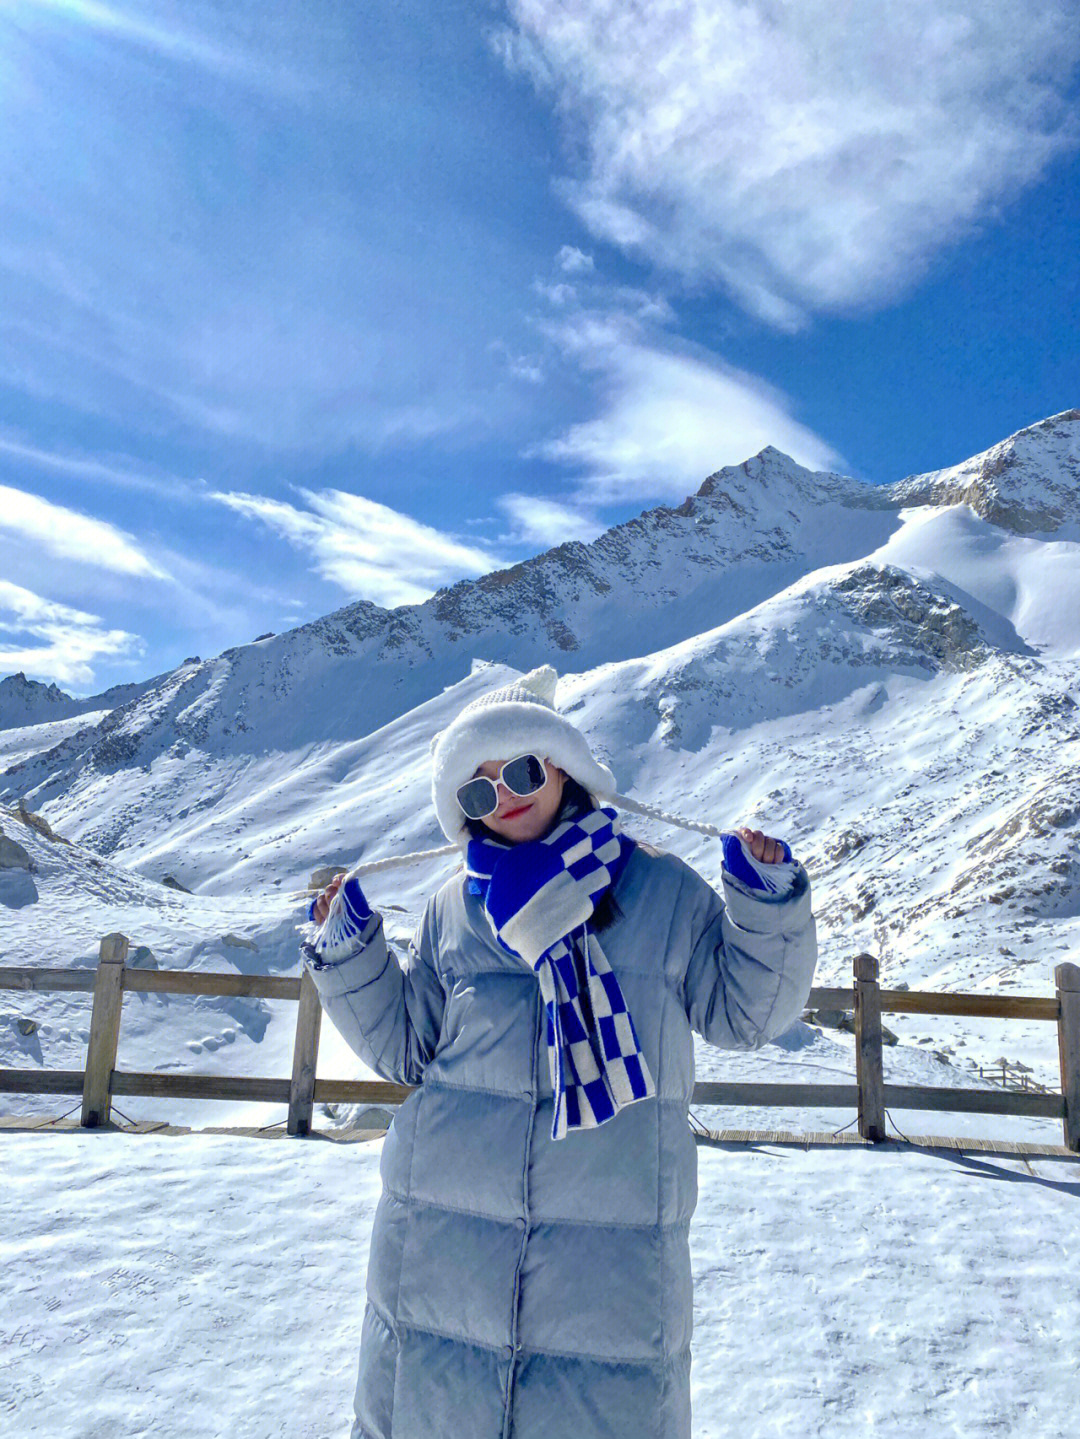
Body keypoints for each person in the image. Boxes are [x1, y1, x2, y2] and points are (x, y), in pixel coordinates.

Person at [299, 665, 818, 1439]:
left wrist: (767, 905)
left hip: (605, 1259)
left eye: (518, 769)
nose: (502, 796)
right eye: (476, 791)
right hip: (445, 1247)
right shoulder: (454, 907)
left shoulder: (662, 891)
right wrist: (349, 954)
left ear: (563, 766)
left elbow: (746, 1012)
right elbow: (409, 1046)